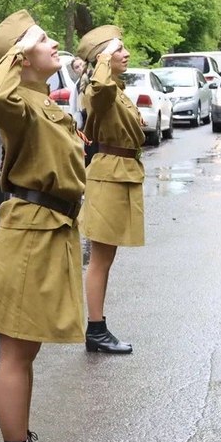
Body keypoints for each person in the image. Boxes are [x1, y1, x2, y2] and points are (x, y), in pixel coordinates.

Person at [0, 10, 86, 442]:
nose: (54, 44)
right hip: (29, 232)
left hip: (49, 227)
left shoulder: (42, 101)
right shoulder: (16, 101)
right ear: (21, 57)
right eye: (42, 40)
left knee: (28, 349)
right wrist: (14, 55)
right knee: (17, 353)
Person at [76, 26, 144, 354]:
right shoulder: (98, 89)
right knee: (100, 259)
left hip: (119, 174)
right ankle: (96, 329)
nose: (126, 53)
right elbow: (99, 85)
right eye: (118, 50)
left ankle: (97, 328)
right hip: (108, 176)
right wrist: (103, 59)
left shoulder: (115, 89)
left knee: (106, 257)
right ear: (102, 58)